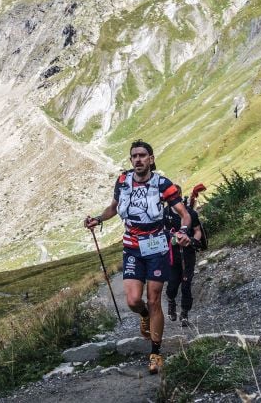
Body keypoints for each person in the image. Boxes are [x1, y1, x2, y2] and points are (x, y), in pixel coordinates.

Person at [85, 140, 191, 374]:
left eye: (142, 155)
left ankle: (155, 353)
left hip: (156, 247)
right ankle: (144, 316)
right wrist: (98, 219)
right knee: (133, 301)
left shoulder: (163, 184)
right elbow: (113, 207)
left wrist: (183, 231)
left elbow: (184, 213)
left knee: (154, 300)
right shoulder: (123, 180)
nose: (138, 159)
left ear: (151, 159)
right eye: (134, 156)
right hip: (132, 247)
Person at [164, 190, 204, 327]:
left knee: (186, 284)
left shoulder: (190, 213)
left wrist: (193, 241)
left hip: (188, 254)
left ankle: (185, 314)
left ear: (180, 196)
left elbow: (197, 231)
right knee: (172, 284)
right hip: (171, 255)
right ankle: (171, 301)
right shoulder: (164, 213)